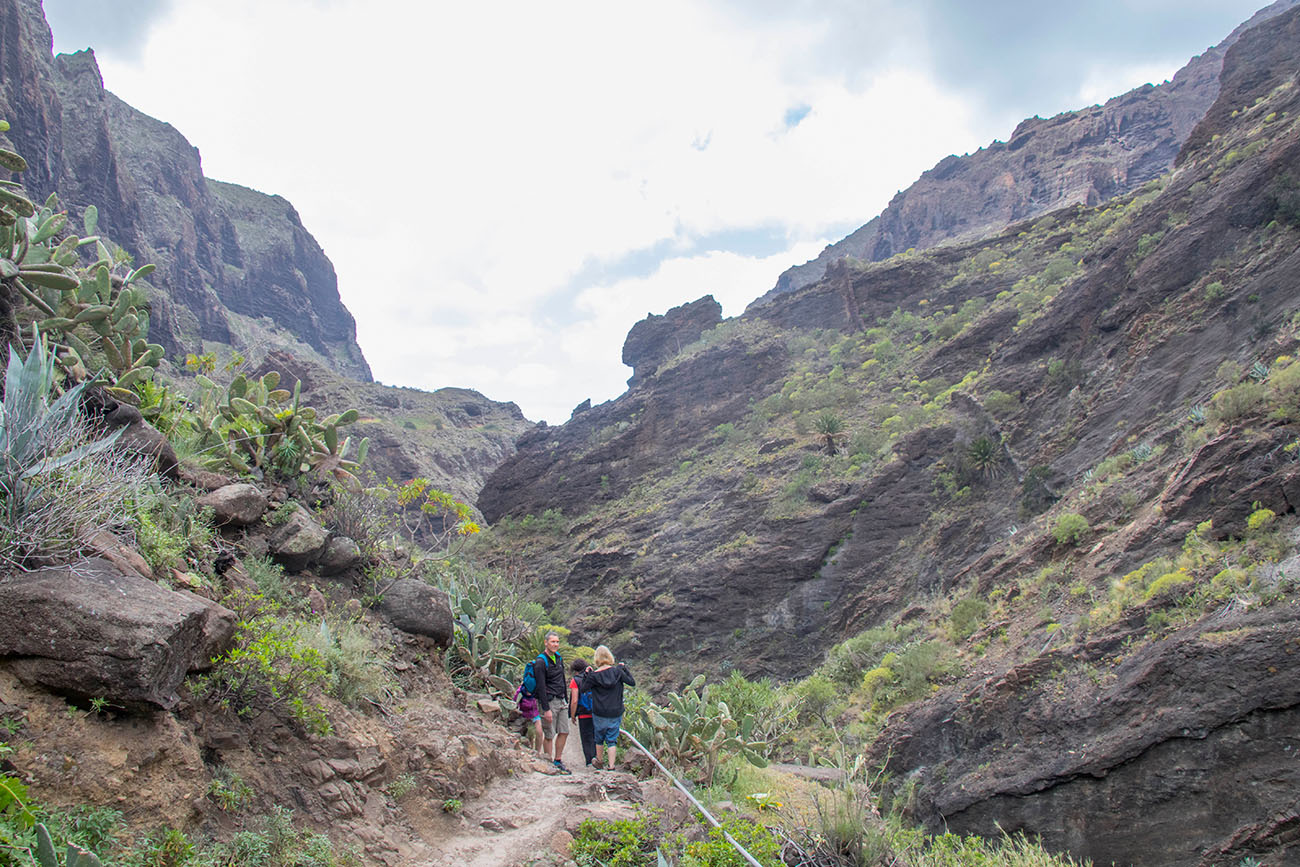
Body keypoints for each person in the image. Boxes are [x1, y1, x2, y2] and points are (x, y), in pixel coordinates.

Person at [579, 645, 634, 771]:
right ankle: (612, 766)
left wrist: (586, 674)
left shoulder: (594, 676)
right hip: (615, 710)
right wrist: (624, 669)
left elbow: (583, 689)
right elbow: (632, 682)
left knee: (599, 737)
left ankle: (599, 761)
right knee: (612, 739)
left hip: (599, 711)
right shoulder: (618, 672)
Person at [534, 631, 571, 774]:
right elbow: (541, 687)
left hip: (561, 700)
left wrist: (566, 700)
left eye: (557, 642)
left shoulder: (559, 659)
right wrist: (546, 709)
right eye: (552, 642)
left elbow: (562, 680)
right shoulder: (540, 662)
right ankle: (548, 762)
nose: (555, 644)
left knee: (564, 731)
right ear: (546, 643)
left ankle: (558, 760)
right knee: (549, 733)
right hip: (549, 702)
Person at [569, 659, 597, 767]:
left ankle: (589, 762)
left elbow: (574, 700)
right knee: (595, 737)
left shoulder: (575, 680)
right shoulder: (593, 677)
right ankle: (597, 759)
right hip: (595, 712)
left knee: (586, 738)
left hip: (583, 713)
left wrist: (572, 715)